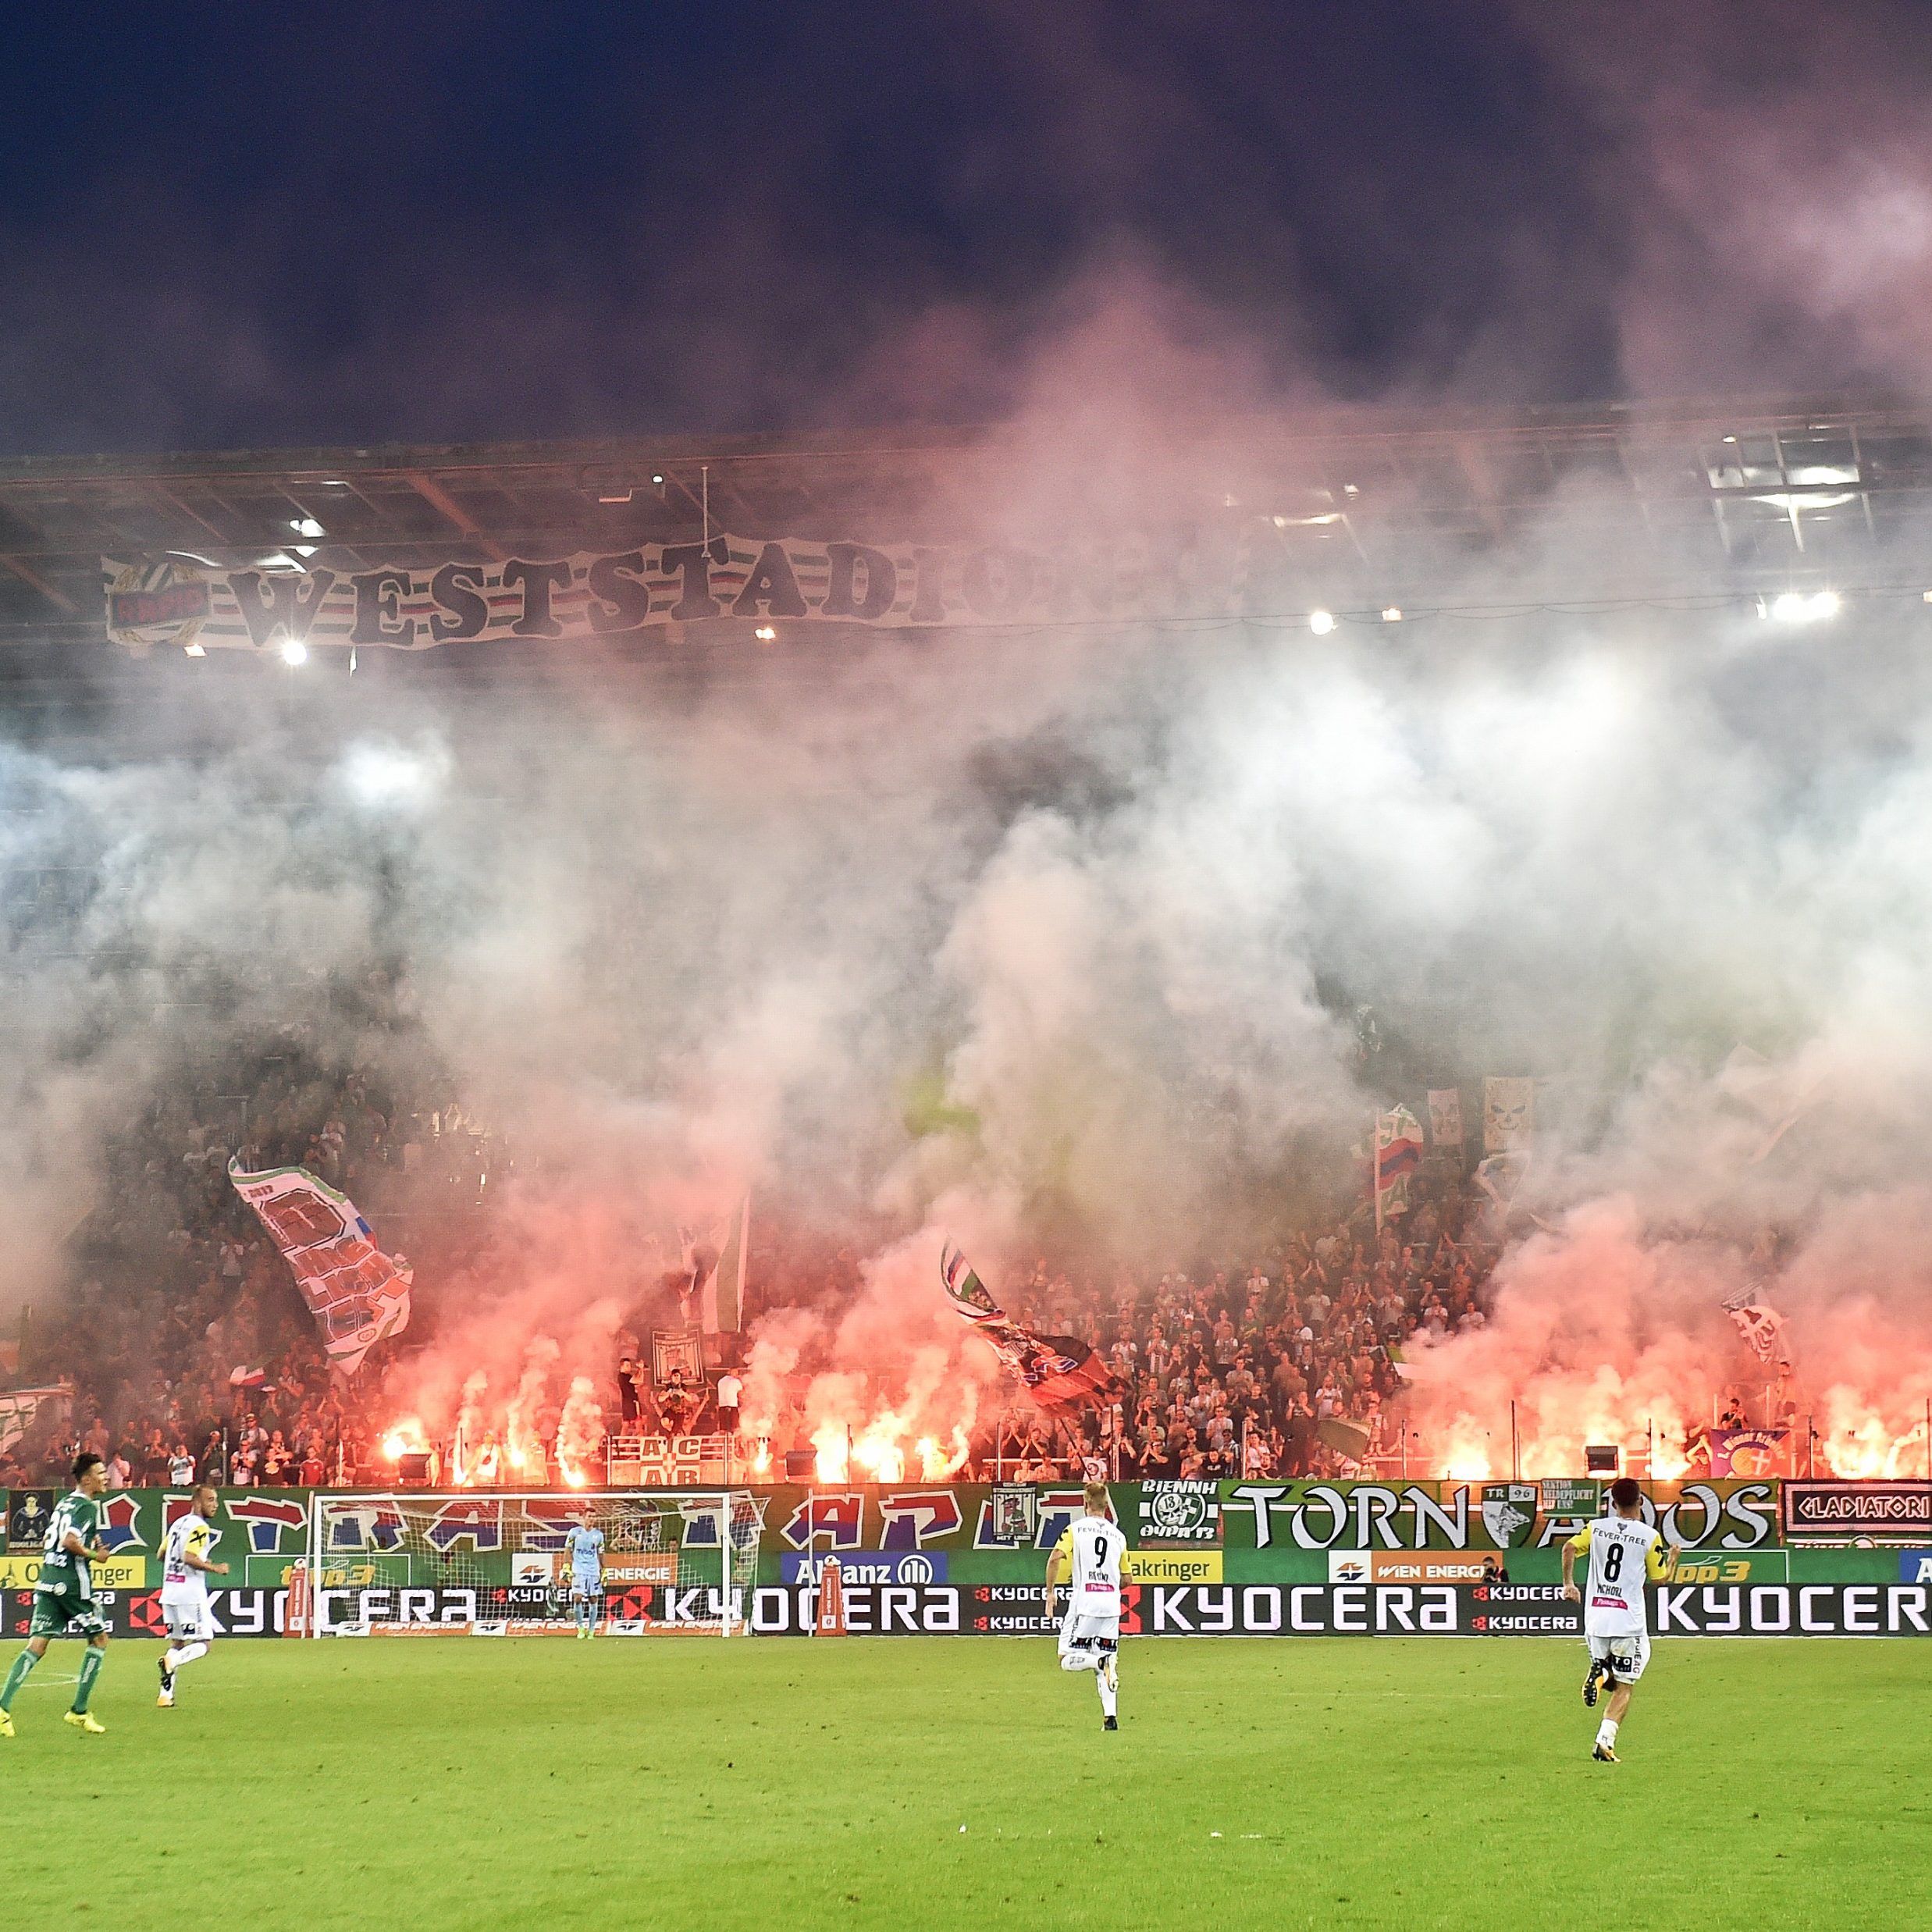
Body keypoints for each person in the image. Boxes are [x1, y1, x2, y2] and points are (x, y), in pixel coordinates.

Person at [1562, 1475, 1678, 1762]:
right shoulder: (1650, 1537)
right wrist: (1674, 1559)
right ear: (1640, 1501)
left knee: (1614, 1674)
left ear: (1613, 1504)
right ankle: (1604, 1740)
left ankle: (1601, 1672)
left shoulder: (1597, 1528)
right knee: (1625, 1686)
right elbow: (1660, 1580)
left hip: (1596, 1620)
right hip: (1628, 1623)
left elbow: (1568, 1548)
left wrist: (1569, 1584)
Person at [0, 1453, 114, 1738]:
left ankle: (2, 1709)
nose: (106, 1476)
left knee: (37, 1645)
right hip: (72, 1584)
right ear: (87, 1478)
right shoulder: (87, 1507)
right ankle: (78, 1711)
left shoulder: (66, 1502)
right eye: (101, 1473)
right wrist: (94, 1556)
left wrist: (95, 1542)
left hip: (48, 1579)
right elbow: (70, 1541)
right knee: (99, 1639)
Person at [1043, 1481, 1126, 1731]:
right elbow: (1128, 1579)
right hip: (1111, 1607)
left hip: (1085, 1604)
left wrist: (1050, 1592)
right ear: (1106, 1506)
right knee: (1108, 1660)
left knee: (1066, 1657)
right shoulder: (1118, 1537)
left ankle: (1098, 1662)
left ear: (1085, 1503)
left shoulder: (1075, 1530)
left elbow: (1055, 1557)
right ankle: (1110, 1719)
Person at [157, 1481, 229, 1707]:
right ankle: (174, 1660)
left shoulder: (178, 1524)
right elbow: (189, 1557)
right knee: (204, 1643)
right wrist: (214, 1567)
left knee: (177, 1642)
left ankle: (165, 1695)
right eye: (210, 1500)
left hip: (169, 1593)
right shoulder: (200, 1527)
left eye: (216, 1500)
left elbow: (161, 1554)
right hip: (190, 1594)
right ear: (196, 1502)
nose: (215, 1505)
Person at [563, 1508, 606, 1638]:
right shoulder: (574, 1532)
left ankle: (592, 1630)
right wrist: (566, 1567)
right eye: (589, 1516)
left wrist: (604, 1570)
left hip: (593, 1570)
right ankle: (581, 1628)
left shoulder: (598, 1535)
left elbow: (601, 1553)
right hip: (578, 1569)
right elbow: (568, 1550)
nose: (592, 1519)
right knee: (578, 1597)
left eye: (594, 1516)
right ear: (584, 1517)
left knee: (593, 1599)